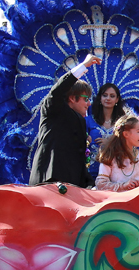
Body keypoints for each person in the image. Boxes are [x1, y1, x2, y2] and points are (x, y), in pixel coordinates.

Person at [28, 54, 101, 187]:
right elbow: (57, 91)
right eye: (86, 99)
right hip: (47, 185)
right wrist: (83, 66)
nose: (89, 104)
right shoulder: (53, 109)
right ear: (72, 98)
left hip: (70, 189)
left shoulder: (80, 121)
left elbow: (77, 161)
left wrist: (91, 185)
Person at [95, 114, 139, 191]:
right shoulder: (110, 155)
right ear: (126, 134)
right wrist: (123, 186)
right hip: (115, 200)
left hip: (137, 200)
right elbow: (101, 184)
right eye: (138, 132)